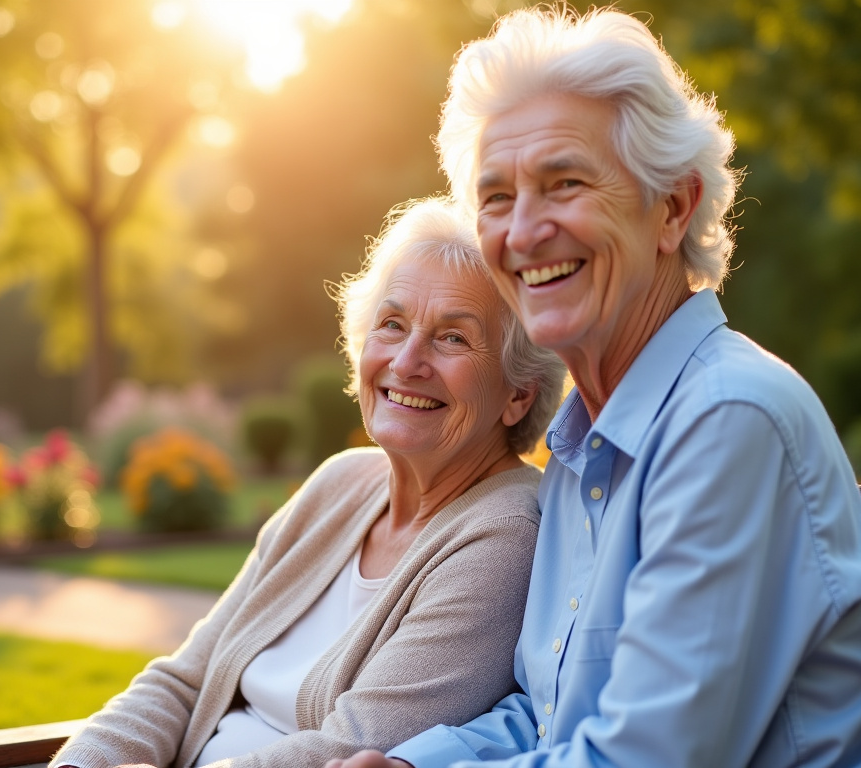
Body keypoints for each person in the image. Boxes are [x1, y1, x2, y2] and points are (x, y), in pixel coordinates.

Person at [328, 7, 861, 768]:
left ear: (673, 207)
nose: (523, 233)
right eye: (497, 197)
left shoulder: (729, 420)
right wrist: (407, 764)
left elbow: (644, 757)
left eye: (563, 183)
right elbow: (548, 715)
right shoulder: (585, 446)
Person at [49, 199, 567, 768]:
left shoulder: (506, 533)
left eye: (452, 338)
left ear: (519, 391)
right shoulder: (340, 482)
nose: (407, 360)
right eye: (391, 325)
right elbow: (184, 679)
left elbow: (350, 748)